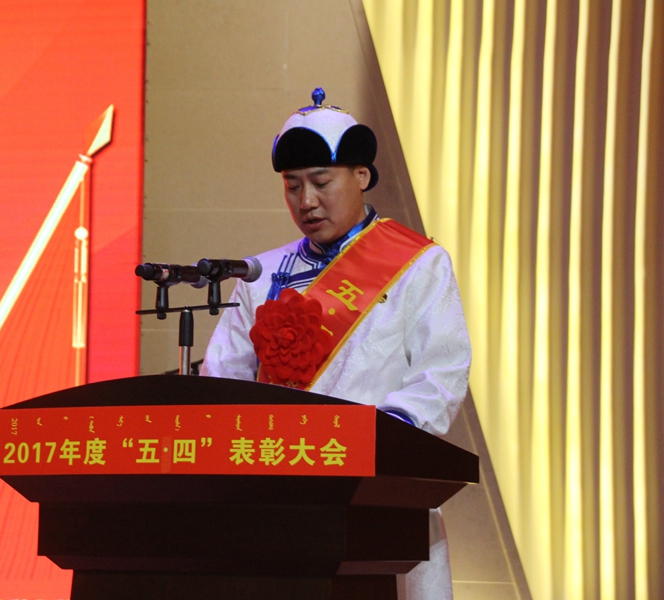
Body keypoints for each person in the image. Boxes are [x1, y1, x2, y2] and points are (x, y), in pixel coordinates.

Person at [200, 88, 471, 600]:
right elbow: (224, 381)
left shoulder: (418, 264)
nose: (306, 201)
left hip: (380, 495)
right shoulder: (260, 276)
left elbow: (441, 374)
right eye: (292, 185)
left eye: (321, 182)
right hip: (277, 499)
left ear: (361, 176)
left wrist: (377, 445)